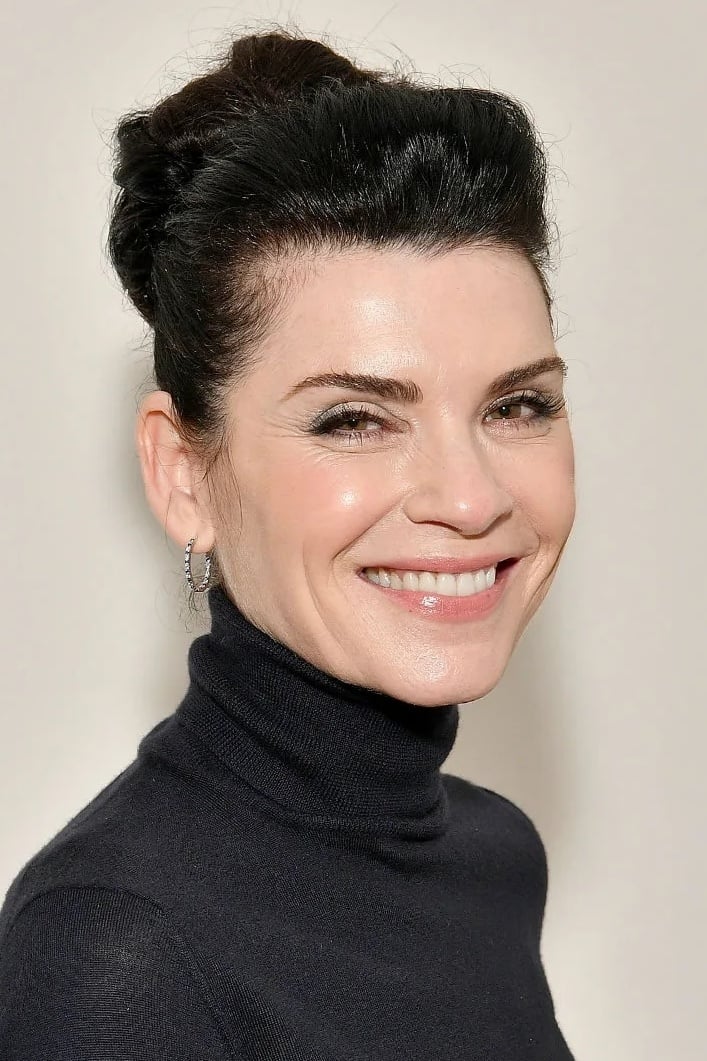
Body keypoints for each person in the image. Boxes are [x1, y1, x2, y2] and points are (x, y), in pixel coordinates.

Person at [0, 26, 577, 1060]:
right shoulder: (114, 952)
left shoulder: (494, 855)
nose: (470, 496)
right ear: (184, 474)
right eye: (354, 418)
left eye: (516, 405)